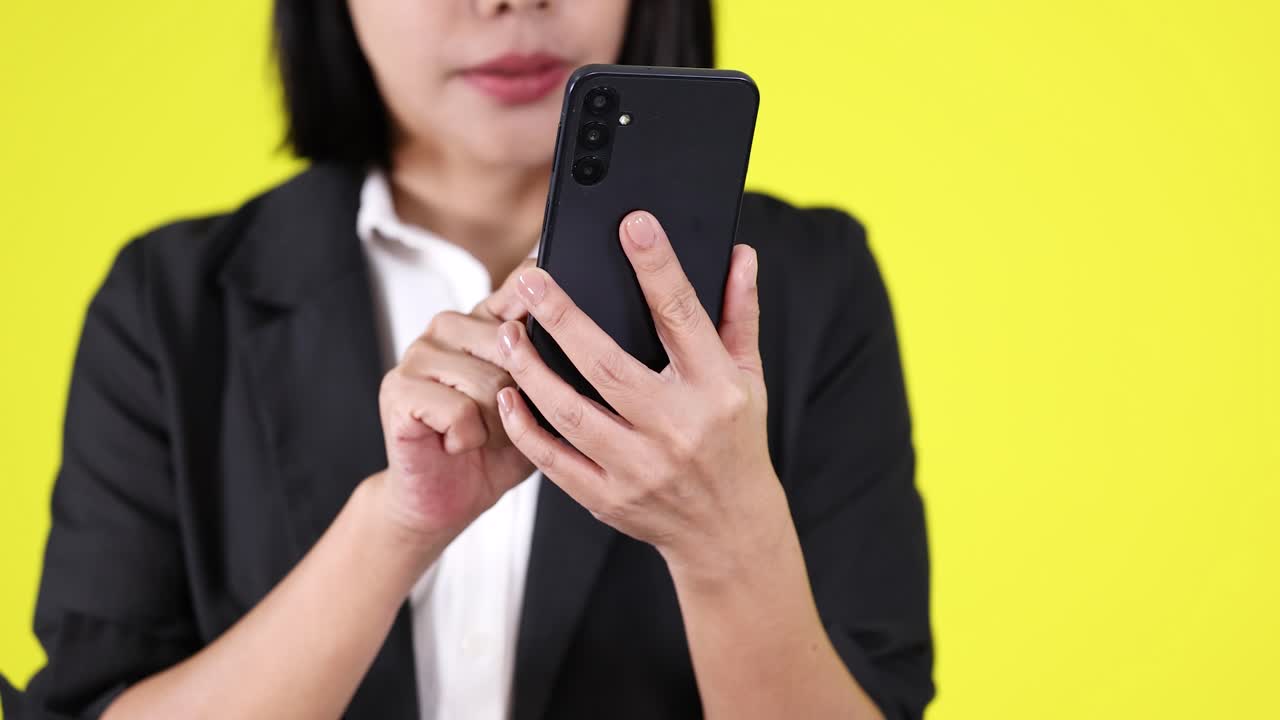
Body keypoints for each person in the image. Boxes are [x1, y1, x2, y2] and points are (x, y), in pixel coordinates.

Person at [0, 1, 933, 718]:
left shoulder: (805, 284)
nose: (508, 1)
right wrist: (397, 525)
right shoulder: (170, 303)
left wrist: (724, 537)